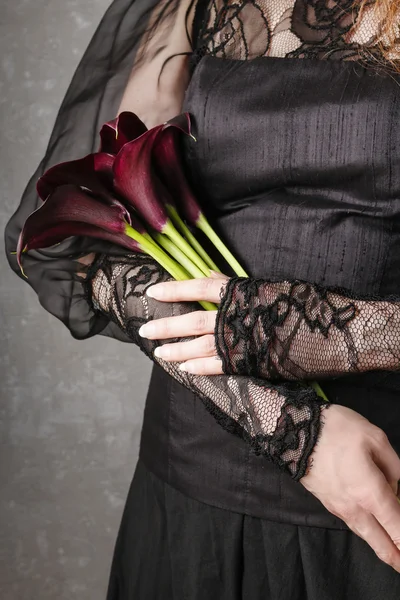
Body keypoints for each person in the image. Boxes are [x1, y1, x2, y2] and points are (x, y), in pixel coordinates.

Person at [5, 0, 400, 597]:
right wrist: (296, 432)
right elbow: (93, 251)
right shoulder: (188, 5)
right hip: (196, 479)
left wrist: (334, 333)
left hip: (382, 482)